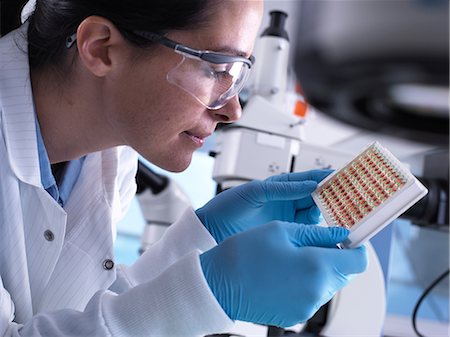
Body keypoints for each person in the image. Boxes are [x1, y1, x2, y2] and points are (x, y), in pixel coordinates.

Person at [0, 0, 368, 336]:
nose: (232, 110)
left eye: (238, 74)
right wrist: (210, 295)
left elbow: (71, 318)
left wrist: (202, 239)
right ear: (101, 48)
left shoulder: (113, 158)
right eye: (217, 68)